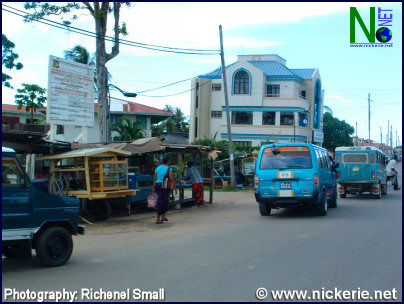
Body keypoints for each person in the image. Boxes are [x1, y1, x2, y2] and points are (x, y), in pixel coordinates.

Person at [152, 156, 178, 224]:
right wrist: (175, 188)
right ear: (168, 161)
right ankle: (158, 219)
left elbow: (155, 178)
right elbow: (171, 179)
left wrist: (153, 187)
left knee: (162, 200)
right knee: (163, 201)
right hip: (165, 186)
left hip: (158, 185)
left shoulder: (157, 168)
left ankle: (163, 216)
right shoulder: (169, 169)